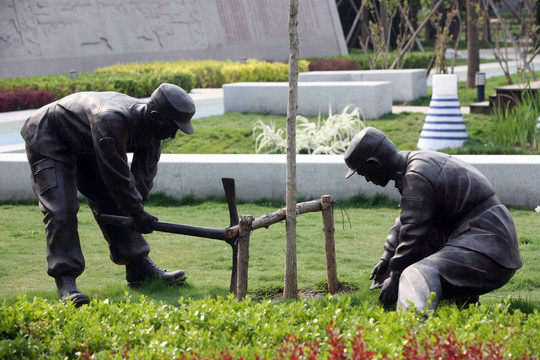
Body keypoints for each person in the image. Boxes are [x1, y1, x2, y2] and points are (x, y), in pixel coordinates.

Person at [21, 83, 196, 306]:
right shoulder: (111, 119)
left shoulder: (154, 131)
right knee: (61, 209)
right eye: (172, 126)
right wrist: (136, 212)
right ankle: (65, 279)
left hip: (84, 141)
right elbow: (118, 178)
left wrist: (136, 213)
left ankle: (138, 268)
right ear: (153, 115)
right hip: (48, 136)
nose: (172, 133)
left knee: (115, 203)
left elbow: (142, 180)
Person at [344, 127, 522, 313]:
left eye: (363, 172)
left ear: (374, 164)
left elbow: (413, 235)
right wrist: (387, 258)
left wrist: (396, 278)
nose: (365, 179)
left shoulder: (416, 176)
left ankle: (414, 329)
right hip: (482, 238)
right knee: (418, 255)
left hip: (488, 246)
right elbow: (406, 220)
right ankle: (466, 312)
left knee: (415, 274)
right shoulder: (413, 166)